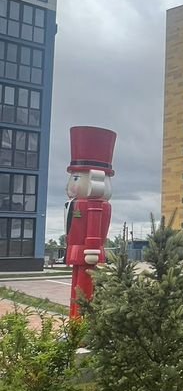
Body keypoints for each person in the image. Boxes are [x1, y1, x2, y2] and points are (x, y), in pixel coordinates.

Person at [65, 126, 116, 319]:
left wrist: (93, 249)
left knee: (83, 289)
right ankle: (74, 323)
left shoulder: (97, 206)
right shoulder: (77, 203)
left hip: (87, 253)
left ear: (97, 179)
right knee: (76, 288)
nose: (72, 184)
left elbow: (95, 230)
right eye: (73, 177)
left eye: (76, 178)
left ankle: (80, 324)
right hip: (78, 250)